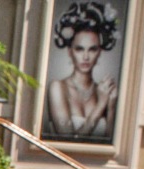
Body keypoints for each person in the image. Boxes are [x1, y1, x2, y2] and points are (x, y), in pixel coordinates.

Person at [44, 1, 118, 142]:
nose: (85, 57)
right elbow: (68, 139)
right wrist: (101, 105)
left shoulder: (103, 91)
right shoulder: (58, 87)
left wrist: (111, 107)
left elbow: (108, 142)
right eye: (79, 49)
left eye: (92, 49)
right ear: (70, 51)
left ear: (99, 52)